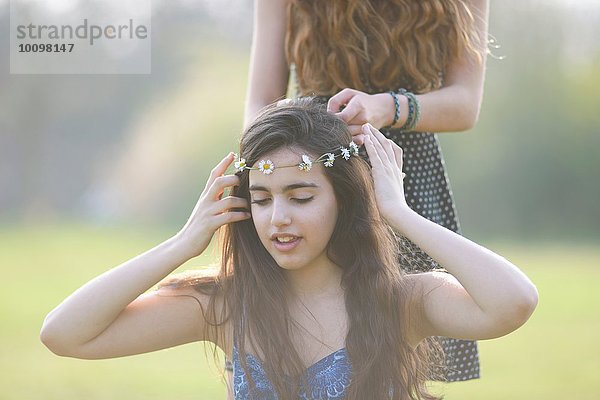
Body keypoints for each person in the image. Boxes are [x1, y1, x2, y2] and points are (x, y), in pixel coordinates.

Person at [40, 99, 537, 400]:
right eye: (260, 199)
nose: (278, 217)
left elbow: (513, 302)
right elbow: (64, 334)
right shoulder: (226, 305)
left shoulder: (401, 301)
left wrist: (398, 212)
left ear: (344, 200)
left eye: (301, 198)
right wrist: (182, 244)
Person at [242, 0, 491, 385]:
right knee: (272, 334)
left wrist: (385, 108)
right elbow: (259, 106)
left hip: (402, 173)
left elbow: (464, 105)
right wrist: (303, 129)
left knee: (397, 349)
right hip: (310, 170)